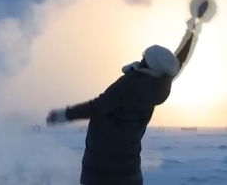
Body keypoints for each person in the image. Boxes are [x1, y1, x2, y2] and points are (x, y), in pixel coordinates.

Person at [45, 18, 200, 185]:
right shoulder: (159, 85)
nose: (142, 59)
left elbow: (97, 107)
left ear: (148, 63)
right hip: (130, 172)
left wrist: (64, 115)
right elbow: (178, 61)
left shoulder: (130, 85)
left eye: (145, 57)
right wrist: (191, 33)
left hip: (102, 170)